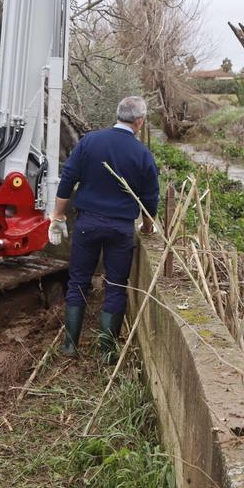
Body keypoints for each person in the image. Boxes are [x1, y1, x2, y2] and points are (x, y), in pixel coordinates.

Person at [47, 96, 159, 358]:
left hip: (88, 223)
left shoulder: (90, 142)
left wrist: (57, 216)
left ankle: (70, 345)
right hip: (121, 230)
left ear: (118, 115)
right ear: (139, 122)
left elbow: (67, 181)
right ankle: (107, 352)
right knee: (116, 285)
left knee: (77, 282)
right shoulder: (142, 153)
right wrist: (147, 224)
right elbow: (151, 196)